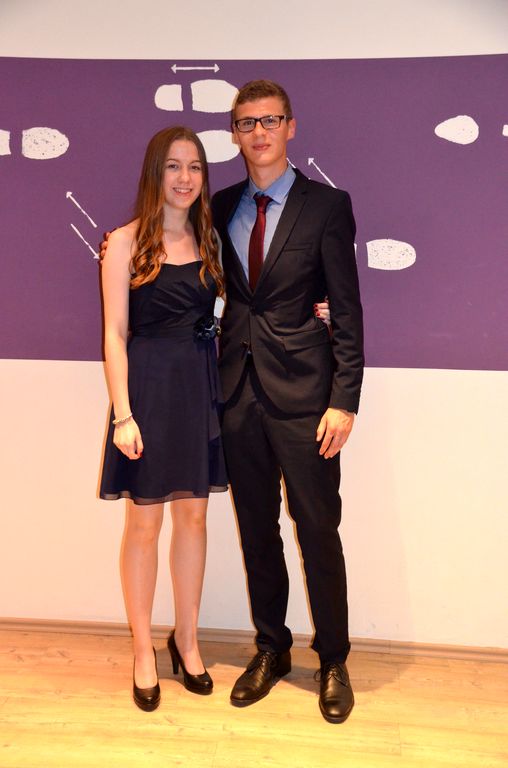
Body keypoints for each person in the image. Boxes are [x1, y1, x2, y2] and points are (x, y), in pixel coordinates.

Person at [211, 80, 364, 724]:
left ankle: (333, 659)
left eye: (270, 121)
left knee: (318, 528)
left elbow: (347, 309)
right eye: (247, 123)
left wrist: (344, 399)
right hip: (237, 393)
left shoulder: (327, 205)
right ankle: (272, 649)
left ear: (290, 127)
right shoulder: (220, 205)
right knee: (256, 529)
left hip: (307, 397)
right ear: (235, 133)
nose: (259, 133)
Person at [99, 126, 228, 712]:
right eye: (174, 166)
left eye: (195, 167)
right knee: (145, 525)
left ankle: (187, 640)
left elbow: (241, 307)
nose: (185, 178)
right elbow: (114, 334)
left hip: (199, 389)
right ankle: (142, 650)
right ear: (155, 172)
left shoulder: (211, 239)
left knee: (194, 519)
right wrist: (123, 415)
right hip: (147, 394)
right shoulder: (124, 243)